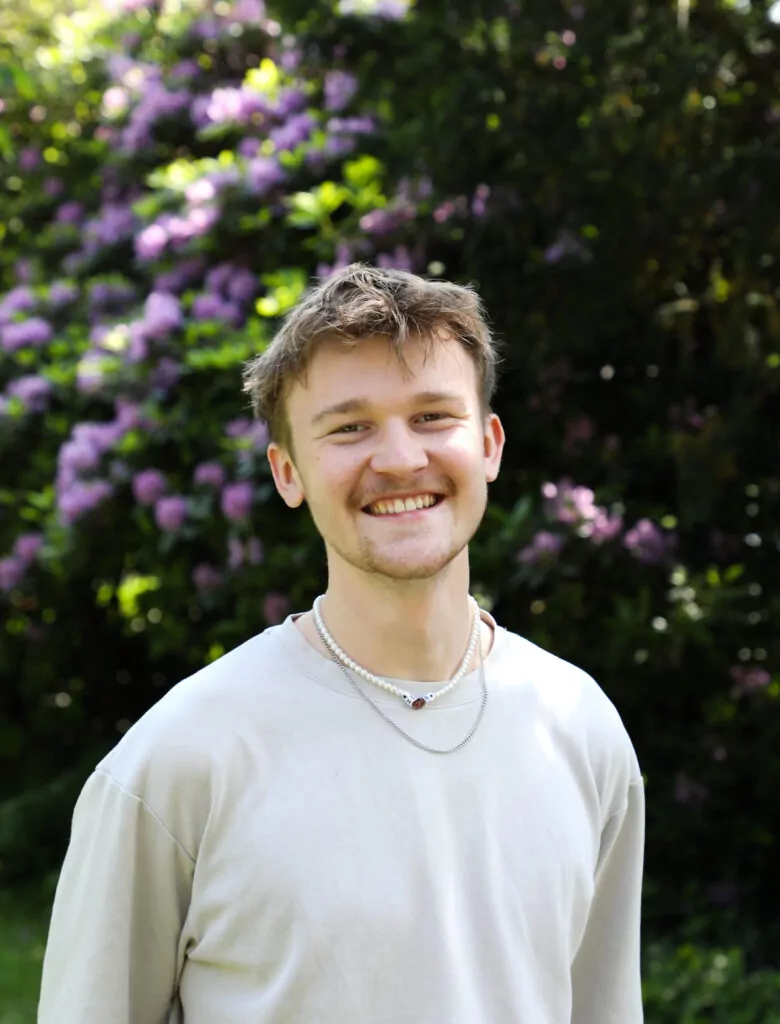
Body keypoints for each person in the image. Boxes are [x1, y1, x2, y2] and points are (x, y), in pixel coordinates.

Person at [38, 263, 645, 1023]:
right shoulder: (180, 761)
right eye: (350, 427)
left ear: (489, 444)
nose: (400, 459)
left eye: (433, 416)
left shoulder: (580, 727)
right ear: (287, 472)